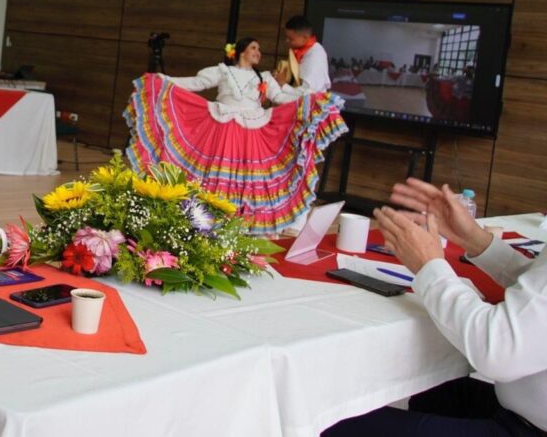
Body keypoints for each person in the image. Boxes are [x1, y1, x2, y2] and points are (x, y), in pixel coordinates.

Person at [322, 177, 547, 437]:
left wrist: (430, 267)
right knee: (426, 386)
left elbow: (498, 350)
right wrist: (475, 239)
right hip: (520, 408)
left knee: (332, 424)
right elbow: (536, 289)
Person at [125, 37, 347, 234]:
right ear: (241, 51)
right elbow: (196, 83)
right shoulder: (222, 70)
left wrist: (309, 98)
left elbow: (280, 98)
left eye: (259, 49)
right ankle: (205, 218)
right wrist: (164, 80)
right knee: (214, 173)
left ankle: (241, 223)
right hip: (223, 128)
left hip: (252, 131)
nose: (258, 52)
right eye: (253, 48)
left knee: (248, 176)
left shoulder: (265, 77)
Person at [277, 15, 331, 92]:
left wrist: (283, 84)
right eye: (286, 37)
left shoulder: (315, 55)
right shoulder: (302, 50)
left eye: (291, 39)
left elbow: (307, 92)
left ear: (305, 38)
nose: (286, 41)